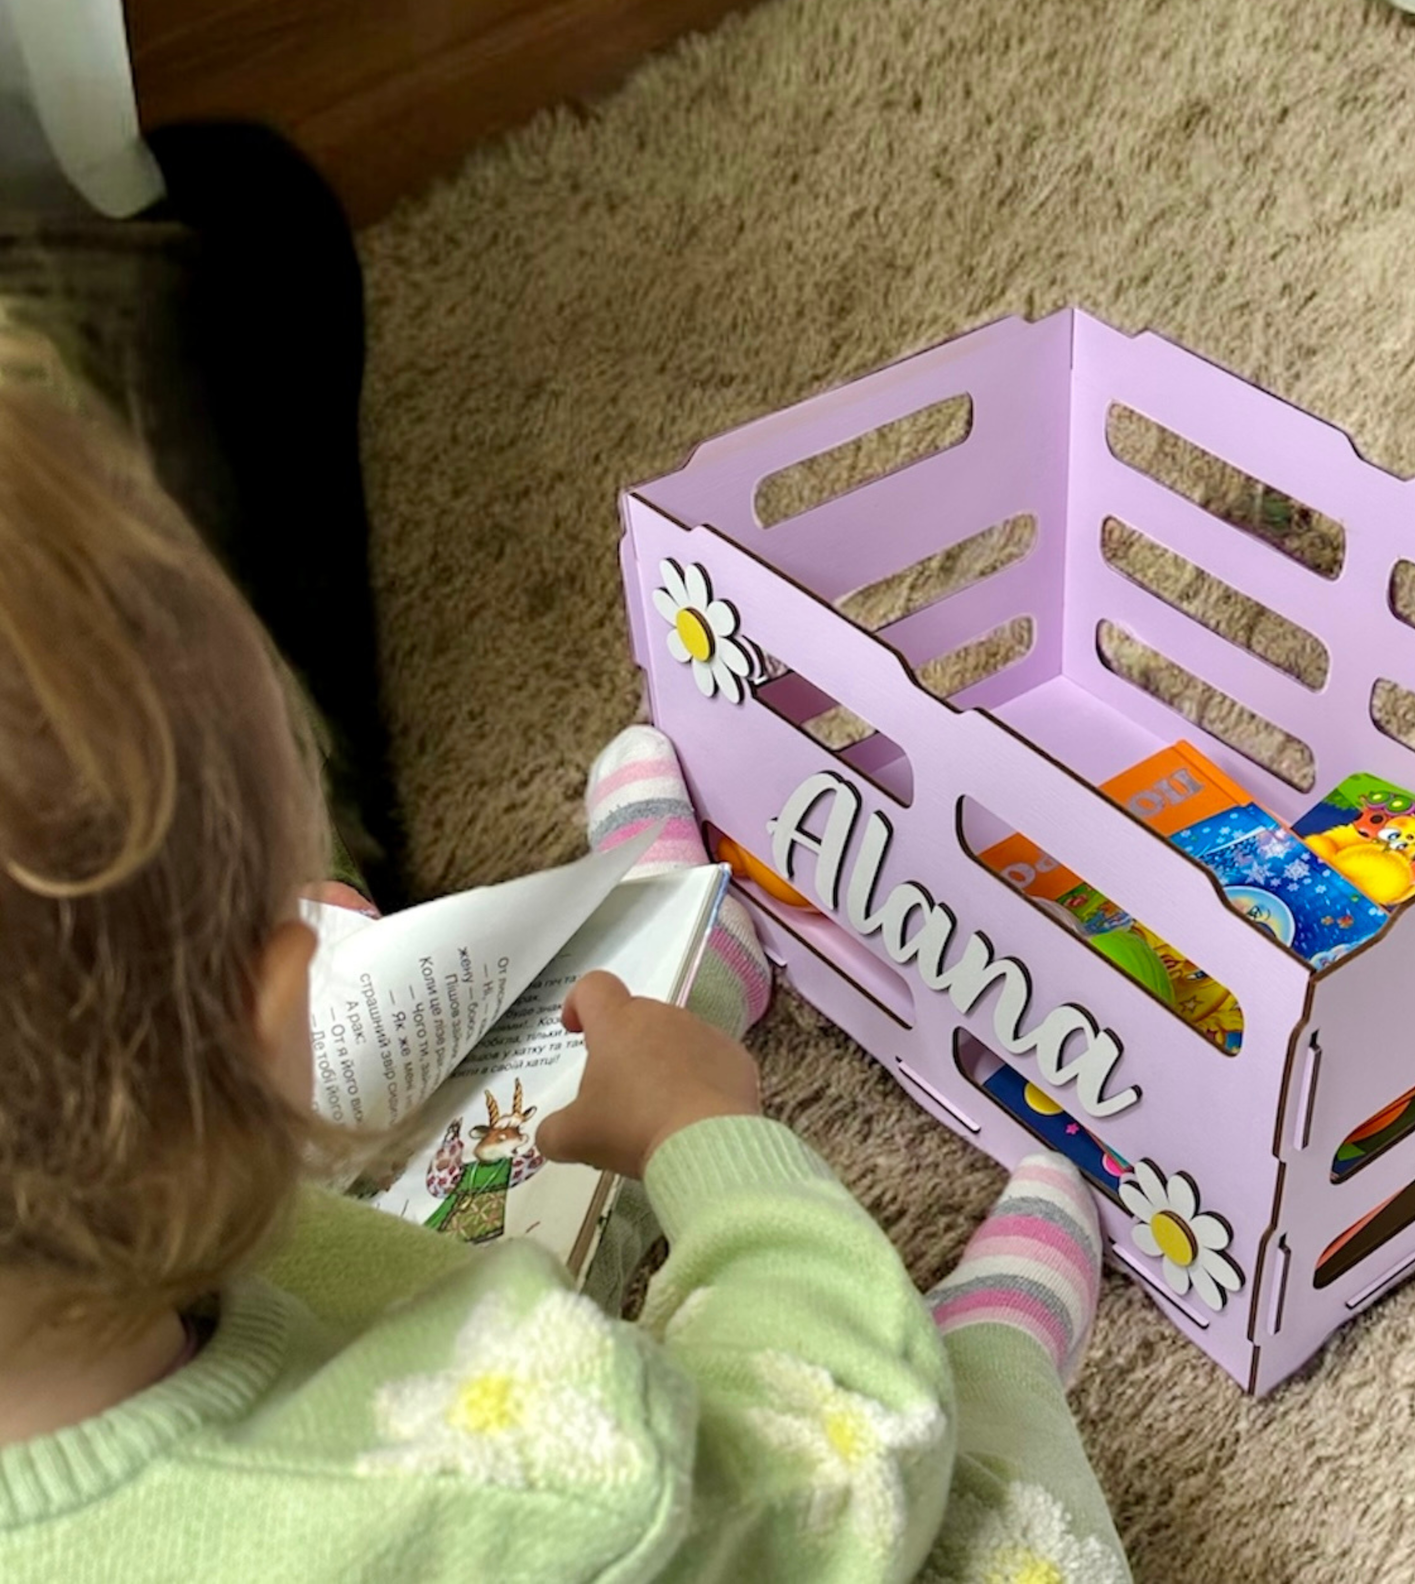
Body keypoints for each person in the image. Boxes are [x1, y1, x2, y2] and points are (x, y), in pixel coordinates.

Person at [0, 328, 1133, 1583]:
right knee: (973, 1513)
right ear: (264, 1020)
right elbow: (826, 1477)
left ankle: (690, 944)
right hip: (681, 1501)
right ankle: (1002, 1359)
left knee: (495, 1154)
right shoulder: (559, 1477)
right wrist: (708, 1137)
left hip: (309, 1337)